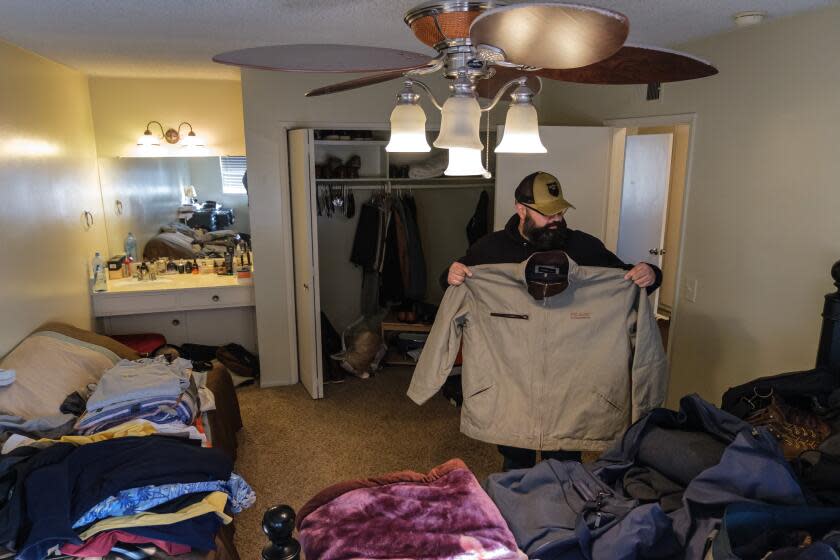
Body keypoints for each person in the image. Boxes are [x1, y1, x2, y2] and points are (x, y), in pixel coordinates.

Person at [442, 171, 662, 471]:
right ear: (521, 209)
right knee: (515, 458)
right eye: (547, 213)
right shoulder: (490, 250)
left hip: (569, 379)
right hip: (512, 377)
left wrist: (650, 273)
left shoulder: (584, 247)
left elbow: (624, 281)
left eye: (560, 210)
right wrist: (449, 274)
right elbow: (457, 285)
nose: (556, 218)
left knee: (565, 462)